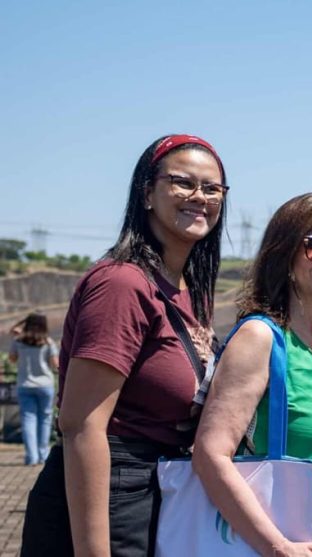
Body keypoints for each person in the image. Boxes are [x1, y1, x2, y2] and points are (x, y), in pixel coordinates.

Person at [21, 134, 228, 556]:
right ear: (147, 193)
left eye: (212, 188)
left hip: (157, 487)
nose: (199, 196)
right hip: (108, 494)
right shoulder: (122, 284)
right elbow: (81, 425)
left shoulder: (188, 291)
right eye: (183, 182)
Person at [193, 193, 312, 556]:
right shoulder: (260, 337)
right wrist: (278, 547)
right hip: (267, 534)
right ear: (285, 254)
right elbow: (210, 455)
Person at [8, 312, 58, 465]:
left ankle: (31, 457)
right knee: (45, 419)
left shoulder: (18, 341)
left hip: (25, 384)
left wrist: (16, 333)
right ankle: (43, 455)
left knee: (28, 419)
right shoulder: (48, 342)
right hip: (45, 385)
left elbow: (12, 359)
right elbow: (55, 364)